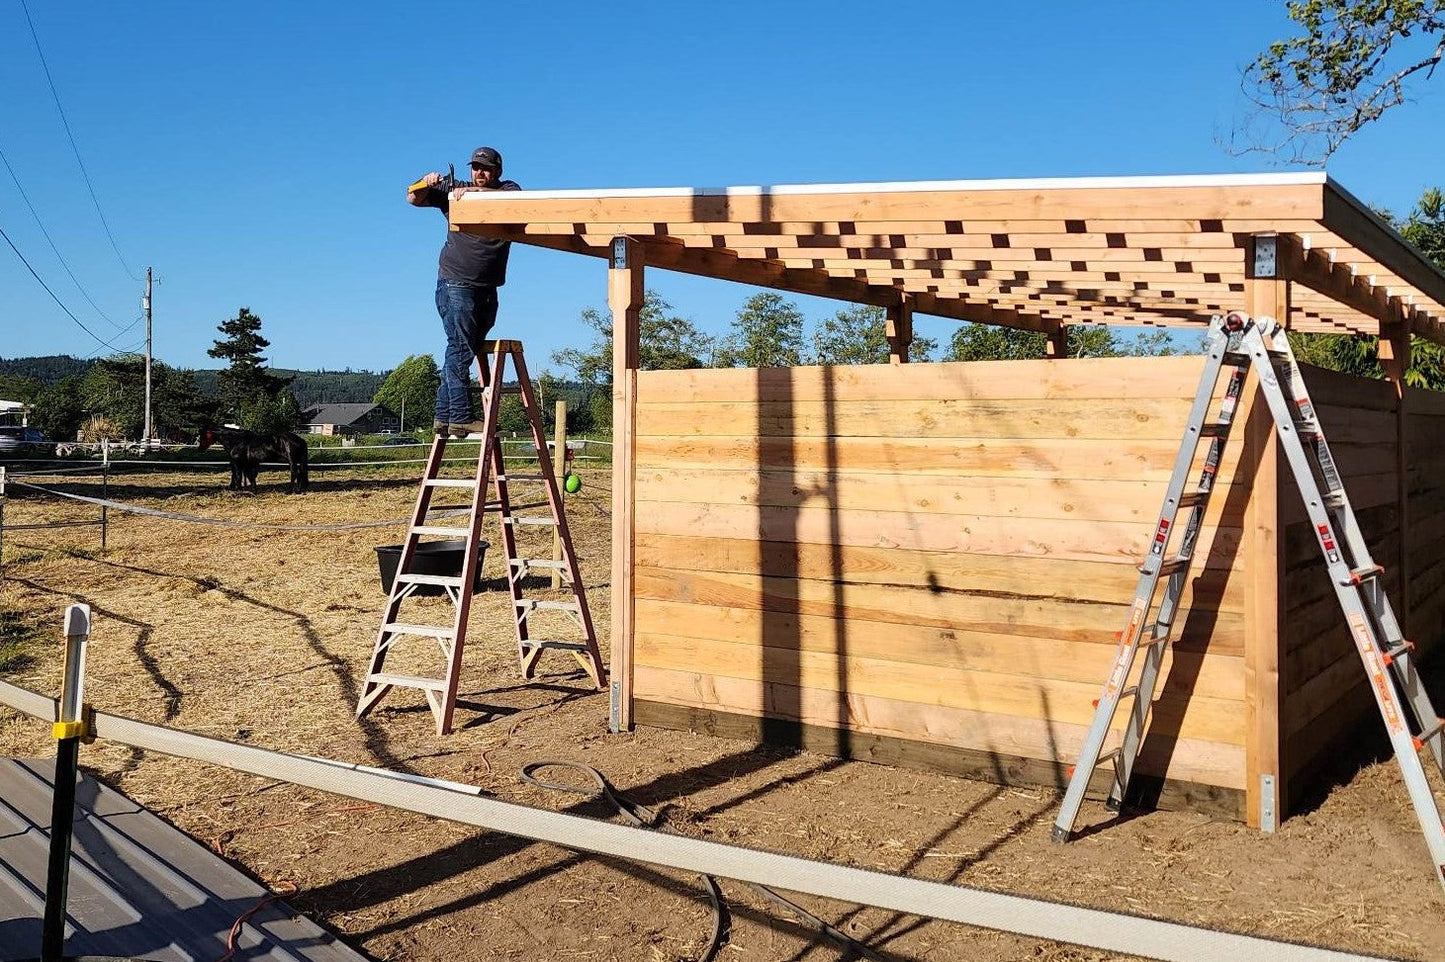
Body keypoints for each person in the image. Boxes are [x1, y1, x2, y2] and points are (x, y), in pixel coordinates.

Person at [408, 145, 521, 436]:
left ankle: (444, 415)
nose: (479, 173)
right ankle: (459, 415)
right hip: (456, 282)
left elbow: (514, 196)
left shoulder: (506, 191)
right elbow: (413, 196)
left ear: (497, 171)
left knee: (464, 348)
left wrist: (471, 193)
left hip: (487, 286)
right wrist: (428, 181)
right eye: (475, 168)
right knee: (460, 347)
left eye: (485, 168)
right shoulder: (453, 193)